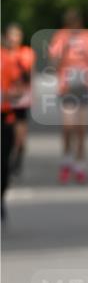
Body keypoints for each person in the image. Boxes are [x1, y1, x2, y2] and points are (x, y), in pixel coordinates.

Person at [48, 9, 88, 184]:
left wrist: (84, 51)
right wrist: (66, 47)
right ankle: (66, 161)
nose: (74, 27)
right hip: (66, 86)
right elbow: (53, 62)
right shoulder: (60, 37)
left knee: (81, 129)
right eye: (70, 24)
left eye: (76, 23)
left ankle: (80, 166)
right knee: (67, 127)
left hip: (83, 86)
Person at [3, 24, 35, 177]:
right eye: (11, 35)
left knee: (20, 133)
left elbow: (28, 76)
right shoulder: (2, 54)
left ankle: (18, 157)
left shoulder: (26, 53)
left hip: (21, 97)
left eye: (16, 35)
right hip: (5, 99)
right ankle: (7, 158)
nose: (13, 38)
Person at [1, 42, 20, 220]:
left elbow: (19, 88)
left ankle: (1, 198)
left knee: (4, 163)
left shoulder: (7, 59)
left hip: (4, 118)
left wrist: (7, 95)